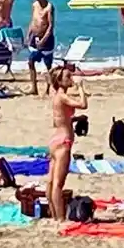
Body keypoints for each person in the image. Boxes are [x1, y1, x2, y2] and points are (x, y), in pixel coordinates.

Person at [47, 65, 87, 221]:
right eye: (67, 77)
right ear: (60, 80)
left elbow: (59, 119)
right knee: (58, 183)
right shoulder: (62, 96)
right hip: (63, 142)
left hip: (56, 139)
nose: (71, 78)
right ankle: (60, 218)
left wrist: (74, 120)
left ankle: (54, 215)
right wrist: (81, 88)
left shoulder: (57, 96)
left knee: (51, 181)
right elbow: (83, 104)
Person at [26, 0, 56, 95]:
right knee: (31, 61)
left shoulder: (49, 7)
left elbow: (50, 25)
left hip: (47, 40)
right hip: (35, 37)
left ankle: (48, 89)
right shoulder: (34, 5)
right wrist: (28, 35)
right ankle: (34, 88)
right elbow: (33, 21)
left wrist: (44, 39)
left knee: (48, 65)